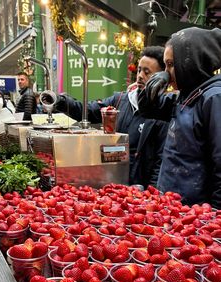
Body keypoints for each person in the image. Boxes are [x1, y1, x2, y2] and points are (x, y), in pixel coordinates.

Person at [55, 46, 168, 187]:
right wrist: (59, 101)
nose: (140, 76)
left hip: (140, 187)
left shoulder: (163, 110)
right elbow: (88, 111)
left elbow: (161, 159)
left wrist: (152, 193)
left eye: (147, 72)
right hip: (113, 181)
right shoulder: (119, 100)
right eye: (139, 70)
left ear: (160, 77)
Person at [138, 27, 221, 208]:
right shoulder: (185, 95)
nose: (167, 72)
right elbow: (146, 109)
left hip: (194, 214)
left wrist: (215, 217)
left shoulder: (213, 97)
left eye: (171, 65)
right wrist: (155, 83)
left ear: (191, 63)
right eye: (165, 65)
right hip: (171, 205)